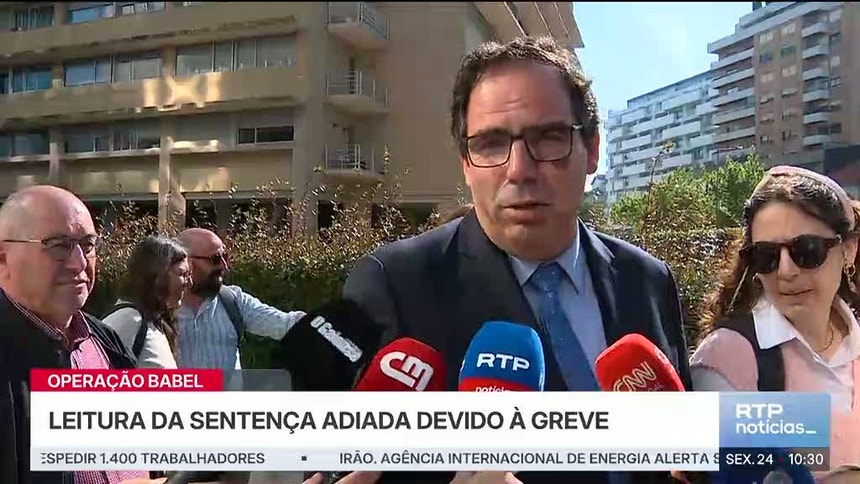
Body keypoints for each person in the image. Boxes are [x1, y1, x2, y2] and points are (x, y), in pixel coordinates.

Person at [341, 36, 691, 484]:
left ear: (592, 150)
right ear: (466, 163)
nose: (519, 170)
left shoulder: (647, 279)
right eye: (491, 143)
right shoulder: (393, 286)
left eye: (548, 137)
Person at [689, 166, 860, 476]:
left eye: (807, 251)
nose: (786, 271)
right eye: (766, 256)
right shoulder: (727, 358)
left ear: (848, 250)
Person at [0, 185, 158, 483]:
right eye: (59, 245)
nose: (80, 263)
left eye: (87, 245)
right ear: (3, 258)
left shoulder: (107, 342)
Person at [175, 228, 306, 372]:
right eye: (215, 259)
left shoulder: (232, 301)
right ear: (186, 262)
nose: (224, 265)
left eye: (225, 256)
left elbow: (286, 324)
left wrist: (320, 321)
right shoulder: (160, 308)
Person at [103, 235, 192, 368]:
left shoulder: (152, 323)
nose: (189, 283)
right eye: (182, 274)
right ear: (157, 276)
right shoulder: (128, 321)